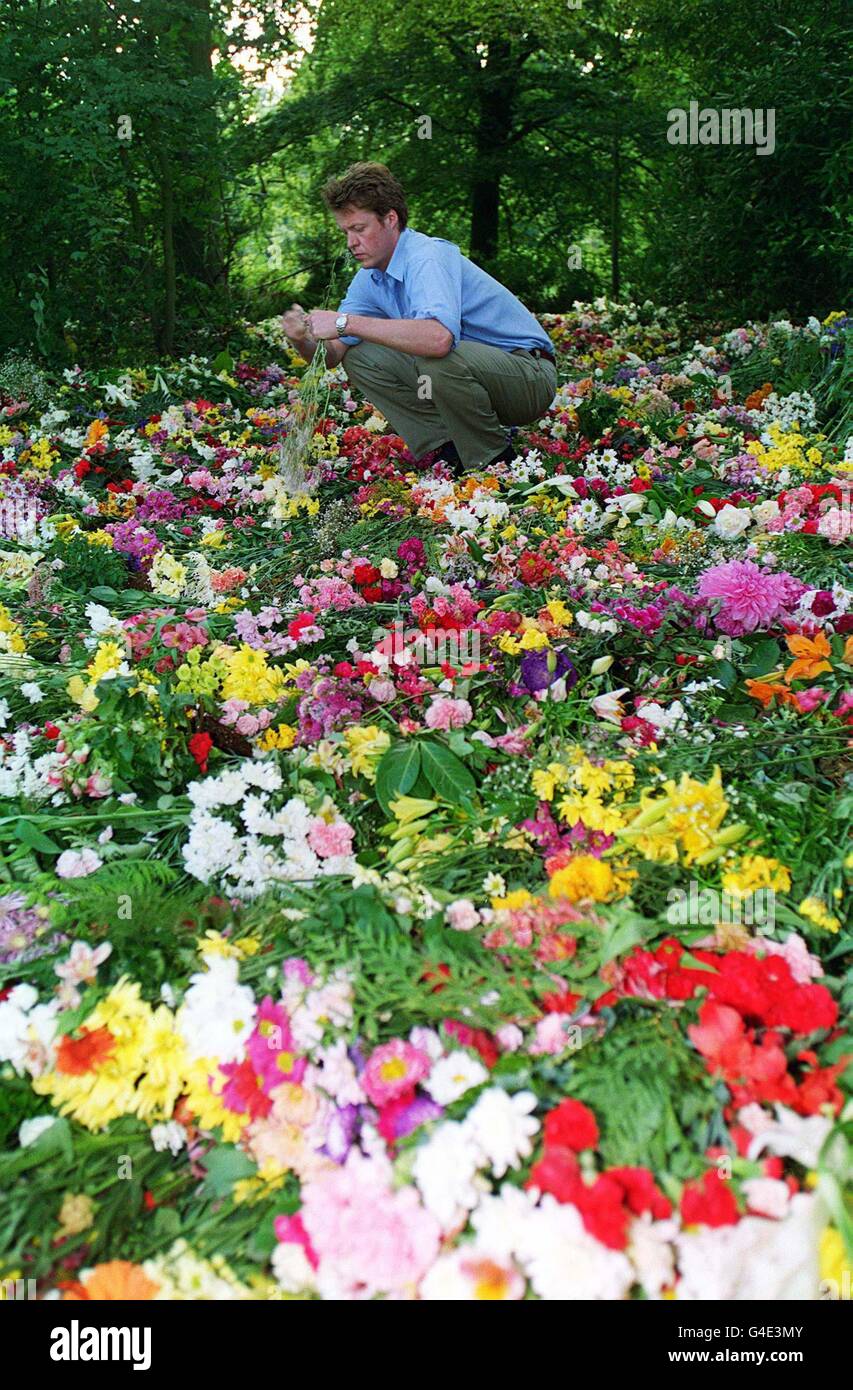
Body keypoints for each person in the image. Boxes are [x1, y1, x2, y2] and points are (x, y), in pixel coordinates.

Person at [280, 162, 557, 474]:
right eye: (345, 232)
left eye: (359, 229)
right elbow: (333, 356)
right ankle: (448, 450)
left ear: (390, 219)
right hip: (475, 377)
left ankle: (494, 462)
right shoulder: (369, 278)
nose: (350, 243)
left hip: (527, 377)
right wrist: (301, 340)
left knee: (436, 358)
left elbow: (439, 340)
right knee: (360, 357)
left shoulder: (426, 257)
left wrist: (345, 321)